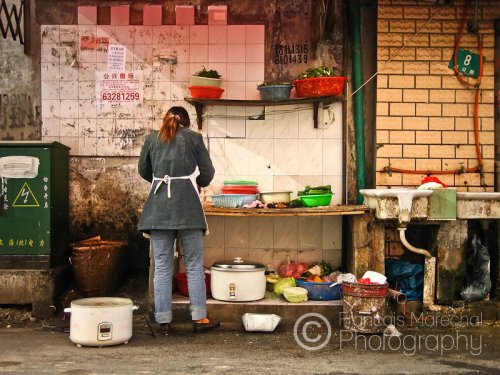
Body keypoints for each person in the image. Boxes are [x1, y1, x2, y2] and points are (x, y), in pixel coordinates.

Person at [138, 106, 219, 334]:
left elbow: (143, 170)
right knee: (194, 265)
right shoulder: (194, 138)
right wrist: (198, 182)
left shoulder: (152, 138)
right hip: (188, 208)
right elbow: (208, 171)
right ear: (187, 122)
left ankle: (163, 321)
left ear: (167, 120)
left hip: (158, 207)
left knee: (162, 266)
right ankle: (199, 318)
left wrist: (159, 181)